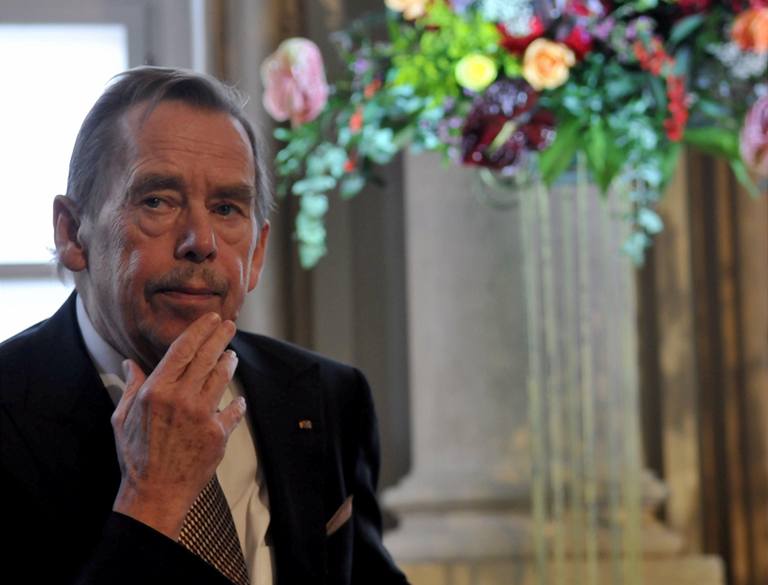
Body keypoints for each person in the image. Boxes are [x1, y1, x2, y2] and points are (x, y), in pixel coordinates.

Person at [0, 66, 409, 585]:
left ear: (256, 253)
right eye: (157, 201)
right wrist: (153, 499)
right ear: (72, 233)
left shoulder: (329, 397)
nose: (201, 240)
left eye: (226, 208)